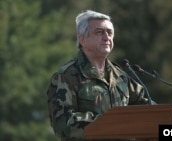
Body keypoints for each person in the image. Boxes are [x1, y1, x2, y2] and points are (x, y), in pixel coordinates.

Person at [46, 10, 155, 141]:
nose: (106, 37)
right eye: (99, 32)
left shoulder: (120, 76)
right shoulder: (66, 76)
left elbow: (148, 107)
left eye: (110, 33)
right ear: (82, 39)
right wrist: (110, 123)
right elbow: (62, 124)